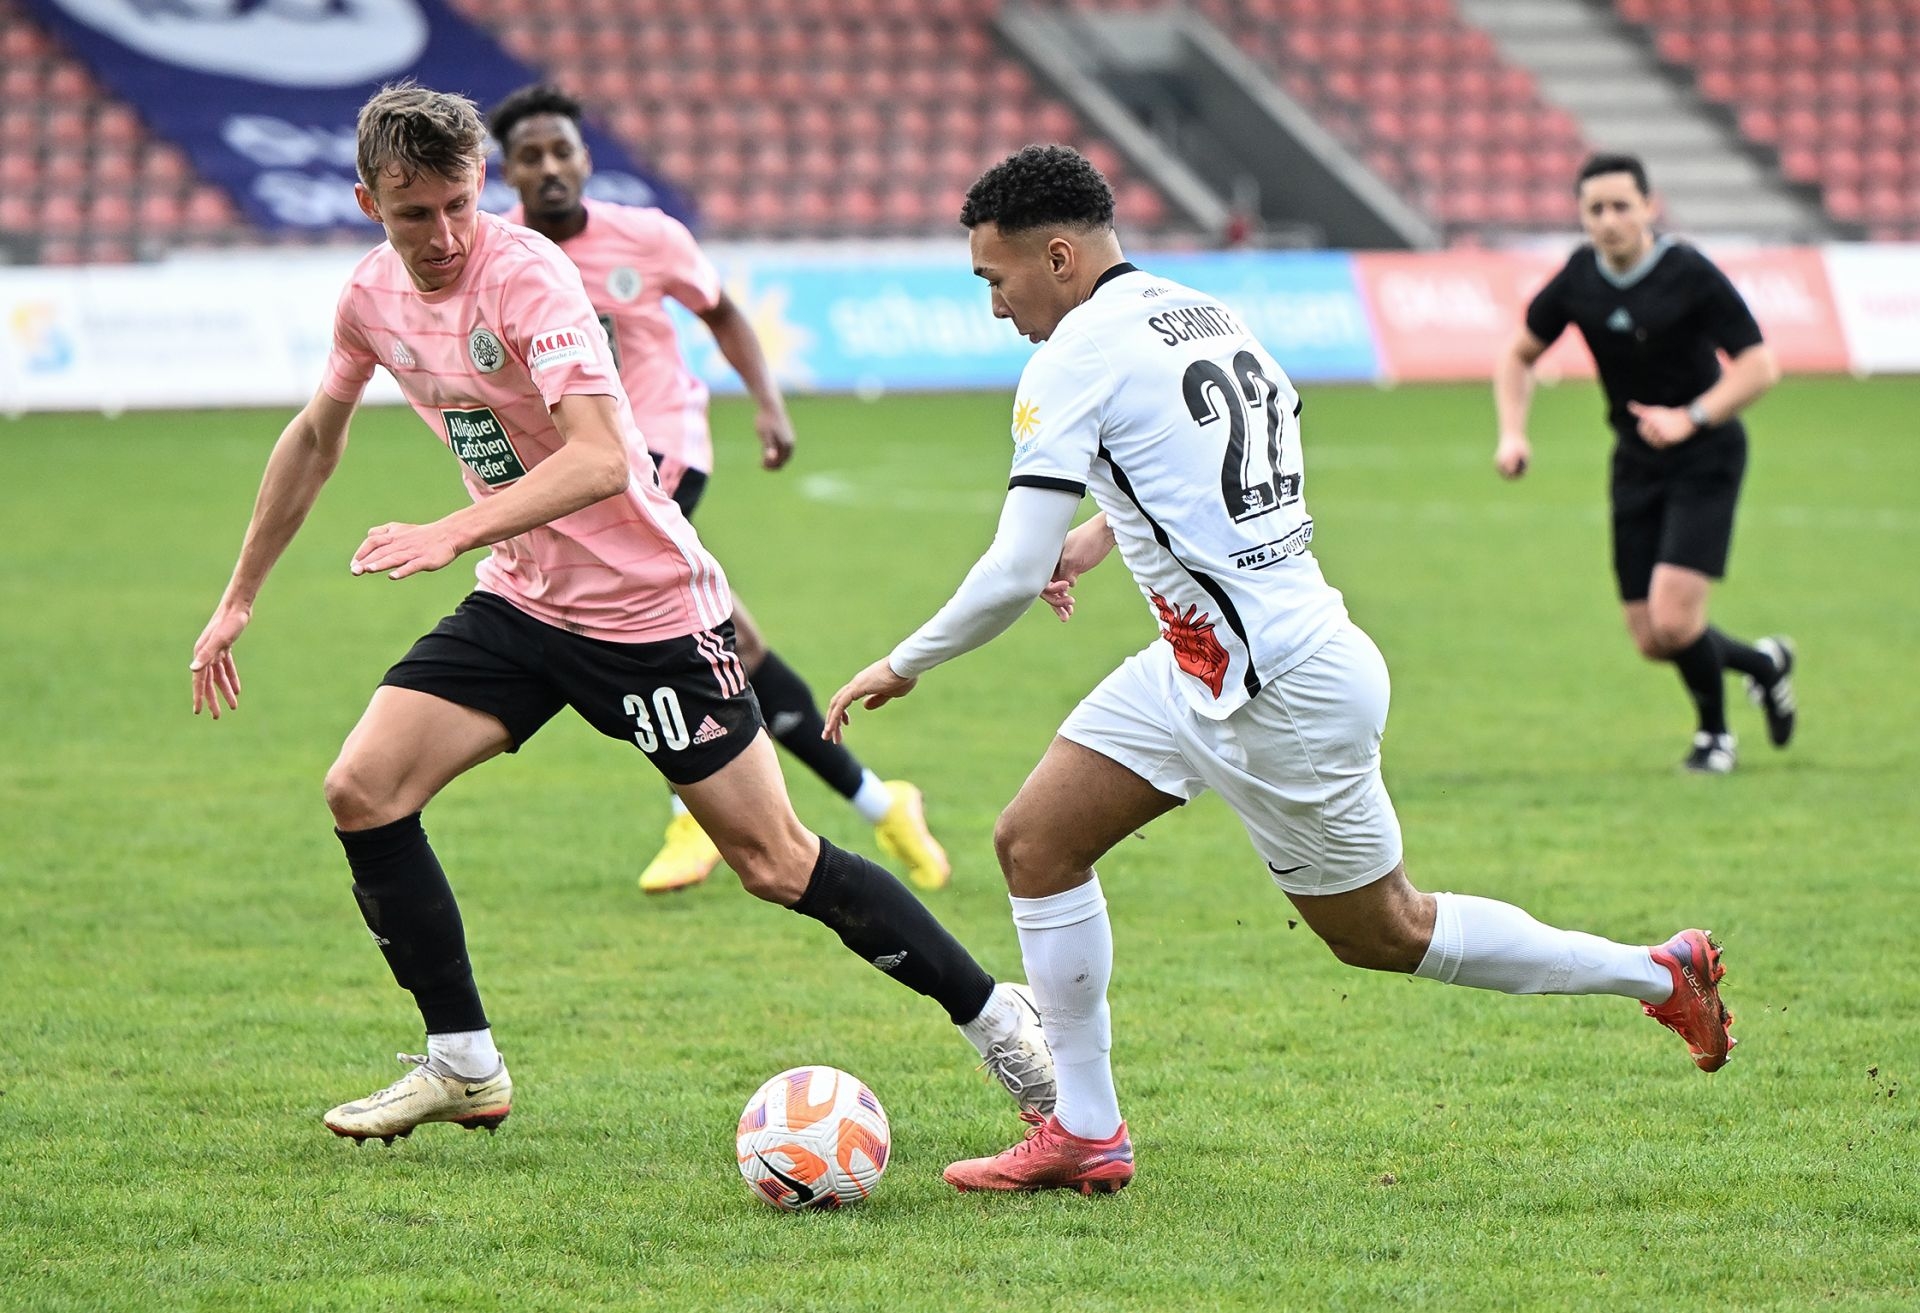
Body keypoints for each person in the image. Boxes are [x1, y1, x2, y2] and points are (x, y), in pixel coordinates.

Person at [824, 145, 1737, 1196]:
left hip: (1280, 691)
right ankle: (1085, 1128)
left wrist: (904, 662)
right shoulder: (1205, 313)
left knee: (1385, 930)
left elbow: (1010, 571)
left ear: (1060, 257)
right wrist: (1107, 533)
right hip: (1204, 664)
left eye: (996, 278)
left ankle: (1655, 972)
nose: (995, 306)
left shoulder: (1072, 357)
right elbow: (1218, 464)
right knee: (1036, 842)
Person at [187, 84, 1052, 1146]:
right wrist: (237, 598)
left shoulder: (529, 276)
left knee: (775, 862)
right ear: (371, 203)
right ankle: (464, 1063)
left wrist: (452, 530)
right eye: (416, 214)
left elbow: (602, 457)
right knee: (362, 789)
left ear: (480, 184)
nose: (445, 234)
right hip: (523, 599)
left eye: (460, 204)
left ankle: (999, 1017)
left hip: (648, 612)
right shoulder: (369, 295)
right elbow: (316, 436)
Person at [485, 84, 950, 894]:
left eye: (562, 150)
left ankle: (690, 813)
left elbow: (724, 311)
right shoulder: (500, 256)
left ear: (586, 158)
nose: (550, 166)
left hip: (661, 446)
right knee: (736, 644)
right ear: (509, 170)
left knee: (644, 625)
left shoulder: (647, 237)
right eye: (531, 155)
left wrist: (768, 403)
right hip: (582, 466)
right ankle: (882, 801)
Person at [1494, 152, 1796, 774]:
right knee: (1652, 639)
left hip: (1707, 455)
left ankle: (1715, 737)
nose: (1609, 221)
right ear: (1581, 216)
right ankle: (1763, 665)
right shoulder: (1579, 278)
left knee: (1676, 618)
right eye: (1595, 209)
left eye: (1621, 207)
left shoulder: (1688, 272)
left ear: (1650, 207)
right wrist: (1512, 434)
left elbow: (1760, 366)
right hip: (1635, 461)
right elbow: (1517, 355)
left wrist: (1691, 416)